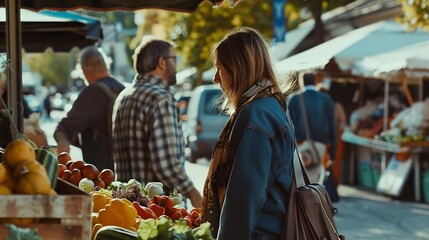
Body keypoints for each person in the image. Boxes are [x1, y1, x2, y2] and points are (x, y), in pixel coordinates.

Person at [201, 27, 295, 239]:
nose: (216, 78)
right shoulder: (273, 106)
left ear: (238, 69)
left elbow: (242, 201)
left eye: (220, 69)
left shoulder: (256, 114)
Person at [111, 38, 202, 208]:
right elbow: (166, 166)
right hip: (156, 212)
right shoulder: (161, 99)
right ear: (161, 62)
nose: (176, 65)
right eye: (174, 60)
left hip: (125, 208)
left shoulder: (123, 97)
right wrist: (195, 196)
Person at [54, 46, 125, 170]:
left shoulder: (92, 92)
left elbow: (64, 127)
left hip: (101, 174)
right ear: (105, 64)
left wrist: (62, 140)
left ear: (84, 71)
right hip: (124, 168)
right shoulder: (123, 89)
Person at [288, 72, 337, 183]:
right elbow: (333, 127)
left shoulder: (295, 99)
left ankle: (301, 200)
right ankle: (312, 200)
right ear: (315, 82)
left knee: (298, 179)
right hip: (320, 145)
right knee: (314, 179)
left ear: (301, 82)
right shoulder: (326, 99)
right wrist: (332, 154)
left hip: (299, 144)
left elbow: (288, 125)